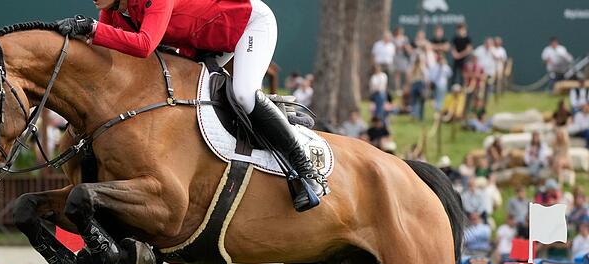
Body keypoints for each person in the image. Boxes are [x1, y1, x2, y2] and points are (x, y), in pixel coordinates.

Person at [57, 0, 328, 211]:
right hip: (202, 44)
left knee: (244, 94)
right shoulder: (113, 12)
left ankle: (305, 168)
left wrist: (92, 29)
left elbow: (144, 45)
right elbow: (115, 55)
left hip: (247, 25)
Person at [392, 27, 411, 93]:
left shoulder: (405, 39)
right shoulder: (393, 39)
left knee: (407, 74)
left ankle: (407, 88)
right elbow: (393, 48)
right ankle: (398, 89)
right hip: (397, 57)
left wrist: (405, 47)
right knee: (397, 74)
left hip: (404, 58)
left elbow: (408, 48)